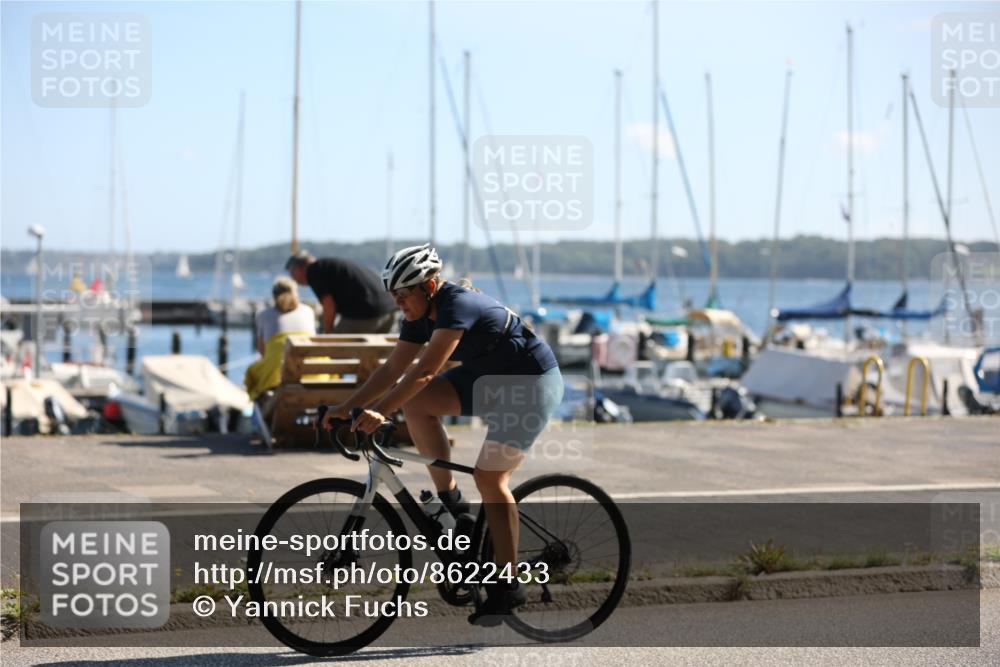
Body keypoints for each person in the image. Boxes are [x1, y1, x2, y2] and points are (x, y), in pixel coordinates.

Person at [321, 243, 563, 625]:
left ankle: (509, 582)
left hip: (529, 383)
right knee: (418, 405)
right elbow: (391, 369)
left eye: (404, 295)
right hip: (488, 378)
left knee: (490, 478)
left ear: (429, 286)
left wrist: (379, 411)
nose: (400, 304)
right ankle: (453, 504)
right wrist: (346, 405)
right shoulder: (418, 314)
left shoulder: (457, 305)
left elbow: (423, 372)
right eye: (394, 297)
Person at [286, 250, 397, 333]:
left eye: (292, 273)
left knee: (334, 350)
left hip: (366, 314)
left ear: (300, 268)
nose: (293, 278)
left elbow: (328, 304)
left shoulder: (314, 270)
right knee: (375, 356)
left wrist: (328, 333)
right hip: (389, 310)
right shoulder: (328, 265)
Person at [244, 277, 316, 403]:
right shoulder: (308, 311)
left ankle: (265, 408)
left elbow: (262, 351)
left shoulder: (263, 315)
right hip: (314, 374)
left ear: (274, 296)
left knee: (252, 373)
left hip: (277, 377)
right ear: (296, 293)